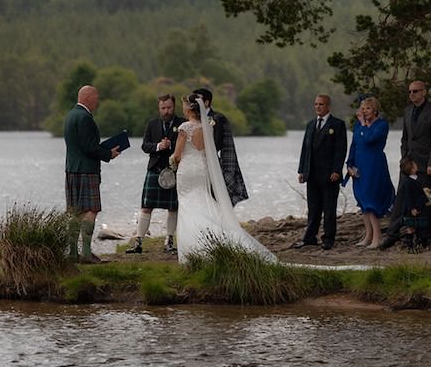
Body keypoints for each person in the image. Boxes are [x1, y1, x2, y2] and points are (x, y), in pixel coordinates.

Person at [170, 93, 276, 262]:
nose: (182, 109)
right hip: (202, 170)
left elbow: (177, 155)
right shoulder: (207, 126)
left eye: (183, 106)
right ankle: (219, 238)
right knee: (203, 200)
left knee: (187, 205)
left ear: (189, 109)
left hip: (187, 170)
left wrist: (172, 164)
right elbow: (205, 151)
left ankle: (194, 250)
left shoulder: (185, 127)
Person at [379, 80, 431, 249]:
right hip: (408, 164)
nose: (412, 94)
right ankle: (392, 234)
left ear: (424, 92)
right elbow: (405, 138)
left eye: (415, 91)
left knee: (426, 201)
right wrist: (403, 159)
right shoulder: (408, 111)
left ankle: (424, 238)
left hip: (426, 165)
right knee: (401, 200)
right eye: (410, 92)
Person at [62, 84, 121, 264]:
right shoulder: (85, 118)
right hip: (87, 170)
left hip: (71, 169)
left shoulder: (70, 116)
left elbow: (81, 145)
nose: (98, 102)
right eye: (96, 98)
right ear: (88, 97)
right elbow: (89, 147)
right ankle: (86, 253)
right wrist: (108, 153)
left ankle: (72, 253)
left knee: (74, 211)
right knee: (91, 210)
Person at [126, 94, 183, 255]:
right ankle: (138, 242)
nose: (166, 111)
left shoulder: (182, 124)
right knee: (146, 206)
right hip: (154, 169)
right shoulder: (152, 124)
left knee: (173, 207)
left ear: (174, 107)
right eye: (163, 108)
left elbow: (185, 147)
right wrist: (158, 146)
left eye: (169, 108)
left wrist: (172, 146)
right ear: (159, 108)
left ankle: (169, 241)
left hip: (173, 171)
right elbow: (145, 146)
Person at [294, 94, 349, 250]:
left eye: (321, 104)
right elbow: (305, 149)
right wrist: (302, 170)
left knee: (329, 208)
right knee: (313, 207)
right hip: (312, 173)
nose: (318, 107)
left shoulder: (337, 125)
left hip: (330, 174)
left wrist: (337, 170)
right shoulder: (311, 124)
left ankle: (328, 238)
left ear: (328, 106)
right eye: (316, 104)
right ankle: (310, 237)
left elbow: (341, 149)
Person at [345, 95, 395, 249]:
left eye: (367, 108)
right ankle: (368, 235)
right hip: (359, 165)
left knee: (371, 199)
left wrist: (363, 123)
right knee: (362, 200)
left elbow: (369, 140)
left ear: (375, 110)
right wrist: (349, 164)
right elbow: (354, 145)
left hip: (373, 164)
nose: (364, 111)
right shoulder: (358, 126)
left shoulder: (381, 125)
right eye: (362, 108)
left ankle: (378, 237)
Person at [193, 87, 249, 206]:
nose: (194, 103)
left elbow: (217, 143)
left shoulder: (218, 118)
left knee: (216, 199)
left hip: (214, 164)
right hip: (194, 164)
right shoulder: (193, 119)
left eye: (197, 99)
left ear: (207, 102)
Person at [396, 157, 431, 250]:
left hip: (419, 206)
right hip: (412, 209)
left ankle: (419, 244)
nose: (417, 166)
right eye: (415, 165)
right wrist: (412, 208)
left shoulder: (416, 179)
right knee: (410, 227)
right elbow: (408, 197)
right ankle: (410, 245)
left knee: (419, 226)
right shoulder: (408, 182)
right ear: (411, 169)